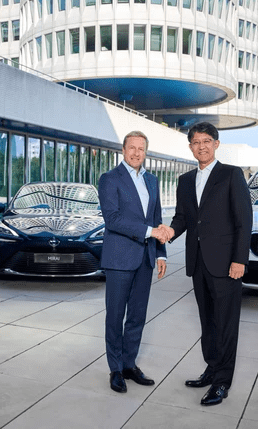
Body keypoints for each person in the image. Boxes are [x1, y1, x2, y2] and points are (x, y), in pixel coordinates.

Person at [160, 122, 252, 406]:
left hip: (226, 264)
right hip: (198, 263)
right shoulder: (185, 181)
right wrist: (169, 232)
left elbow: (243, 221)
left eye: (206, 141)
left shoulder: (231, 175)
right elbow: (183, 218)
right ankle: (212, 369)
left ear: (216, 144)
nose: (201, 146)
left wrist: (239, 260)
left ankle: (222, 383)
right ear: (190, 147)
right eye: (196, 142)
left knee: (226, 324)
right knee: (208, 322)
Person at [98, 130, 169, 394]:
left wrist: (160, 252)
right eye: (132, 148)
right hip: (119, 258)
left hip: (145, 258)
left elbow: (157, 216)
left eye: (141, 148)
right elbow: (112, 219)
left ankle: (129, 365)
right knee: (115, 316)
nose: (136, 153)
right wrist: (150, 233)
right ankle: (115, 369)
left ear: (145, 152)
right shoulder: (109, 179)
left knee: (137, 316)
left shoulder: (152, 180)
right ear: (123, 150)